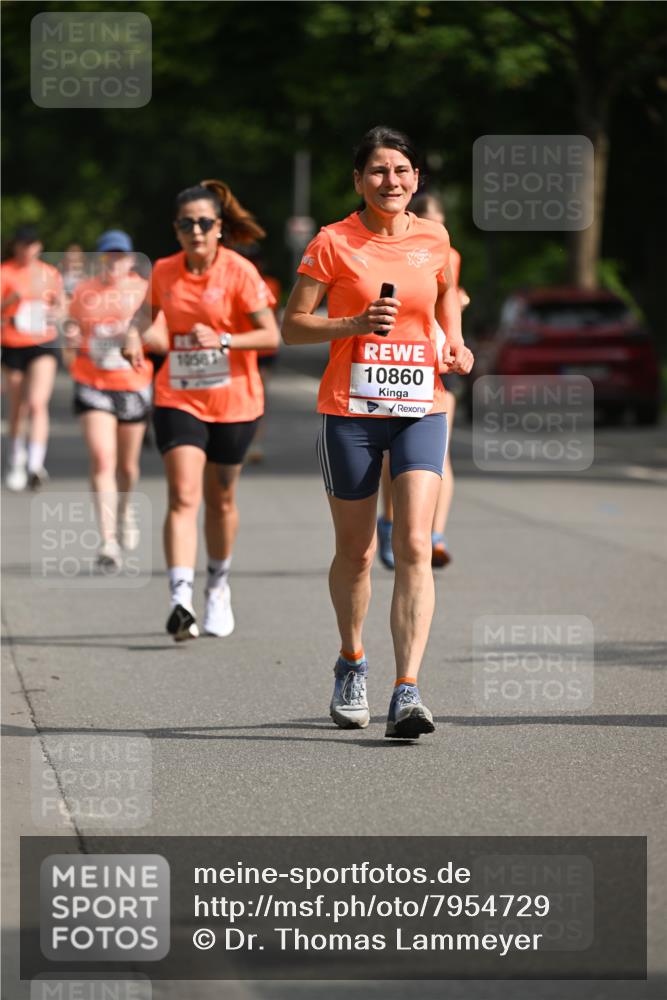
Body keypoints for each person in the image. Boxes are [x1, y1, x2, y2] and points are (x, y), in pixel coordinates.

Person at [282, 126, 474, 739]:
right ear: (359, 180)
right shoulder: (333, 243)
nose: (391, 182)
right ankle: (352, 660)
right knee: (358, 553)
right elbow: (293, 325)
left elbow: (444, 305)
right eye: (378, 172)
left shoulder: (435, 238)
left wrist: (456, 346)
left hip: (421, 403)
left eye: (402, 171)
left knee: (416, 544)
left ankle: (408, 689)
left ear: (417, 178)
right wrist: (356, 322)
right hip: (352, 410)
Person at [122, 179, 279, 641]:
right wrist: (134, 337)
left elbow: (271, 336)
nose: (196, 229)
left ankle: (218, 585)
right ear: (176, 229)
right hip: (179, 395)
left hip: (235, 400)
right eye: (187, 223)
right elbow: (142, 318)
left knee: (221, 500)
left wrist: (225, 339)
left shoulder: (239, 272)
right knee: (183, 495)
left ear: (219, 229)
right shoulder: (165, 272)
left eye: (204, 222)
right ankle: (180, 598)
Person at [377, 191, 471, 570]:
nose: (432, 227)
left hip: (438, 361)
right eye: (425, 219)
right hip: (397, 358)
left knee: (439, 453)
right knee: (389, 453)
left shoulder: (448, 254)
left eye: (438, 220)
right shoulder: (390, 249)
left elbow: (449, 297)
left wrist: (457, 313)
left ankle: (435, 535)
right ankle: (389, 522)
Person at [63, 230, 152, 568]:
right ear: (100, 259)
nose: (113, 261)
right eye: (107, 256)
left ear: (130, 259)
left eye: (120, 255)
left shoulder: (141, 290)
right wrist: (72, 346)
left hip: (132, 383)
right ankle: (107, 542)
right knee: (102, 458)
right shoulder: (85, 291)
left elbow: (159, 333)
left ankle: (124, 509)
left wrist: (135, 337)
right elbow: (71, 329)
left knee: (127, 466)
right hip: (92, 381)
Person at [1, 225, 64, 491]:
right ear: (15, 246)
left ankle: (35, 465)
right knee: (19, 406)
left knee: (38, 403)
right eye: (22, 244)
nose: (27, 250)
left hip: (42, 343)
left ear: (39, 247)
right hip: (13, 343)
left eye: (32, 244)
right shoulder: (5, 272)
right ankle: (16, 458)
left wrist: (56, 313)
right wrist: (8, 302)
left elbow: (61, 307)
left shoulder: (49, 274)